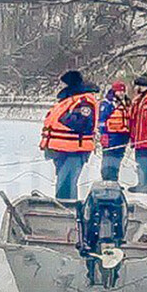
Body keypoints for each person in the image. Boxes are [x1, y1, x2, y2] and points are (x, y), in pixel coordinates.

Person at [39, 69, 99, 199]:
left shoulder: (84, 101)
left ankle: (68, 211)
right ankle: (64, 207)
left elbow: (84, 124)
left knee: (66, 185)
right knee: (63, 184)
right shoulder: (67, 101)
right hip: (61, 149)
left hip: (74, 150)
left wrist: (65, 118)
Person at [98, 80, 131, 182]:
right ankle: (107, 180)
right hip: (111, 135)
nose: (121, 93)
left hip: (123, 136)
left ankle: (114, 179)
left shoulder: (127, 103)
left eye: (123, 91)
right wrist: (104, 134)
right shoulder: (108, 104)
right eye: (119, 91)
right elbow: (102, 120)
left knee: (117, 159)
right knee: (109, 159)